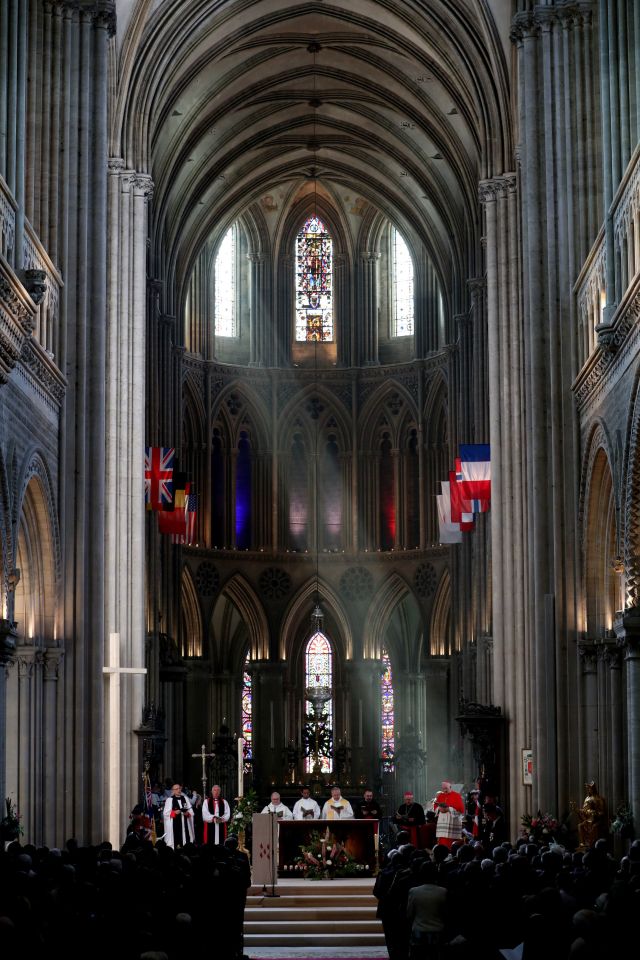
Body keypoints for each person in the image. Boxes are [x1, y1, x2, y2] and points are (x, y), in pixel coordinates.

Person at [162, 783, 195, 848]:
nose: (178, 790)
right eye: (176, 789)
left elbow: (191, 812)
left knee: (185, 841)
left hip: (185, 824)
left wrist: (187, 813)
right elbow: (165, 814)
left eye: (179, 788)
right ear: (173, 791)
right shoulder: (169, 800)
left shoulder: (185, 799)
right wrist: (174, 812)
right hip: (174, 824)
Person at [433, 780, 465, 848]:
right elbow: (435, 806)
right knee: (442, 840)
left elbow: (461, 810)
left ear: (450, 787)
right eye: (443, 789)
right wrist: (439, 809)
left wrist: (449, 809)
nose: (444, 790)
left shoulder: (457, 796)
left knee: (451, 842)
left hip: (452, 822)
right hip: (443, 822)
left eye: (446, 788)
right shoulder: (440, 796)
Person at [578, 781, 608, 849]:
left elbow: (602, 812)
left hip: (597, 820)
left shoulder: (599, 798)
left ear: (593, 789)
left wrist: (595, 813)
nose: (589, 790)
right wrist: (577, 810)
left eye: (590, 788)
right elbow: (584, 810)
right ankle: (583, 844)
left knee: (594, 826)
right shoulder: (587, 799)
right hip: (588, 819)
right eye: (588, 789)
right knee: (580, 826)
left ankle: (592, 845)